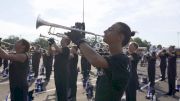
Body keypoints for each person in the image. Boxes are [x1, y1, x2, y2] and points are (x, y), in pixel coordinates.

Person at [66, 22, 135, 101]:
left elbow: (95, 59)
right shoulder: (109, 57)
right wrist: (80, 38)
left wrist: (80, 39)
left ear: (120, 37)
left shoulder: (123, 60)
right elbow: (88, 55)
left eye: (110, 29)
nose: (105, 31)